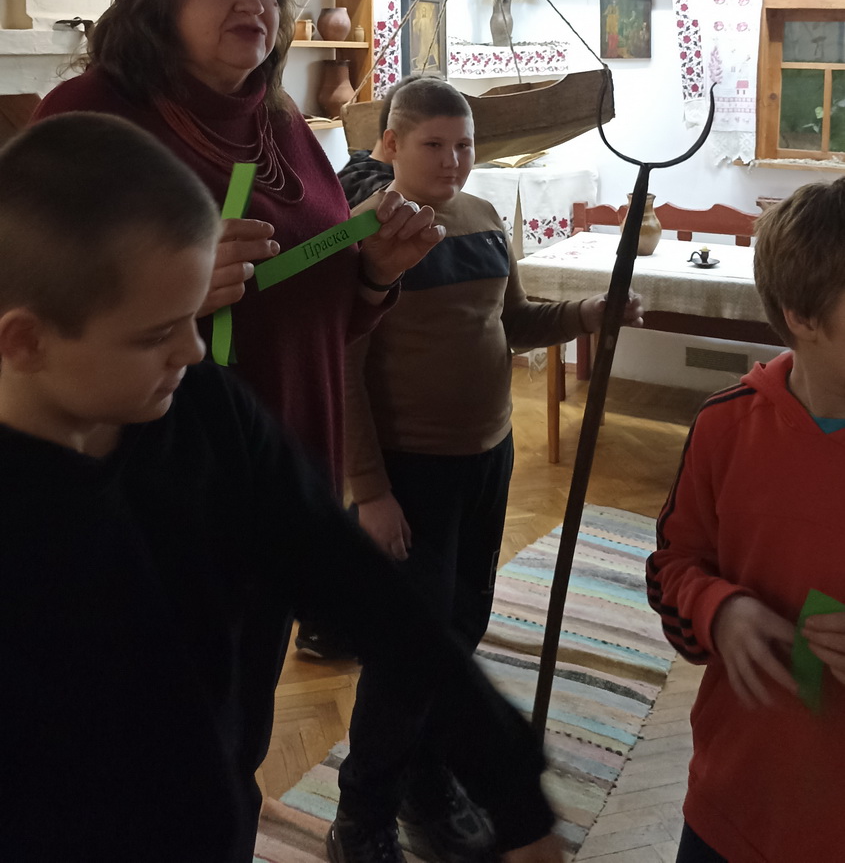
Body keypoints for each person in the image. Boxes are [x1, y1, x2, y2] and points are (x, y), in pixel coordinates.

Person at [0, 113, 565, 863]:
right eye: (155, 334)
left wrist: (512, 792)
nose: (192, 350)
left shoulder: (208, 410)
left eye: (192, 317)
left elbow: (366, 592)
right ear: (26, 341)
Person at [32, 0, 440, 500]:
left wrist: (373, 274)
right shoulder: (90, 114)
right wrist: (165, 291)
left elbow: (308, 318)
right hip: (169, 484)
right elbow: (32, 311)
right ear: (159, 1)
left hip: (299, 465)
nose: (252, 4)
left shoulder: (281, 117)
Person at [335, 78, 643, 863]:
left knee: (461, 629)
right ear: (391, 146)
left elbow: (511, 323)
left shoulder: (481, 217)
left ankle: (427, 784)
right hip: (408, 472)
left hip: (487, 458)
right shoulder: (368, 233)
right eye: (433, 145)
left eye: (464, 145)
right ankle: (361, 817)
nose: (452, 160)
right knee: (408, 653)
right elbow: (343, 365)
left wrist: (585, 316)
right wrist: (369, 491)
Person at [646, 177, 845, 863]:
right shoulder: (725, 426)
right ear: (802, 316)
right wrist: (718, 609)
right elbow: (672, 567)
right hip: (735, 799)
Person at [337, 74, 438, 208]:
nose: (452, 161)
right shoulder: (382, 193)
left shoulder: (360, 164)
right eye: (434, 144)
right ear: (392, 143)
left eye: (461, 145)